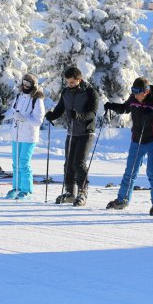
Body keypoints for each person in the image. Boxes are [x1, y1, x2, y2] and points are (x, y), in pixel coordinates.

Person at [104, 77, 153, 216]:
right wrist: (111, 105)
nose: (135, 95)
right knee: (130, 171)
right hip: (137, 140)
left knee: (152, 171)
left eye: (138, 92)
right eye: (133, 91)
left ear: (146, 91)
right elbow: (124, 109)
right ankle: (122, 199)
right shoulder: (134, 99)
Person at [44, 67, 99, 207]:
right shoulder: (66, 92)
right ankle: (70, 193)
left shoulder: (90, 92)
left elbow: (93, 113)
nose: (70, 85)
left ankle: (82, 193)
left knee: (79, 162)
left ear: (79, 80)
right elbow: (60, 108)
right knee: (68, 163)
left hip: (86, 132)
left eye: (73, 82)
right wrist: (52, 115)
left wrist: (79, 116)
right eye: (68, 82)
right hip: (72, 131)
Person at [0, 73, 45, 200]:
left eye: (28, 84)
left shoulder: (37, 99)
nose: (25, 86)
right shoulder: (19, 97)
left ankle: (26, 190)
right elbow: (13, 111)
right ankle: (16, 188)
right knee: (16, 163)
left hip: (29, 136)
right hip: (16, 134)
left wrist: (24, 118)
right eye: (23, 83)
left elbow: (38, 120)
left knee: (24, 163)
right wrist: (4, 116)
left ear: (33, 85)